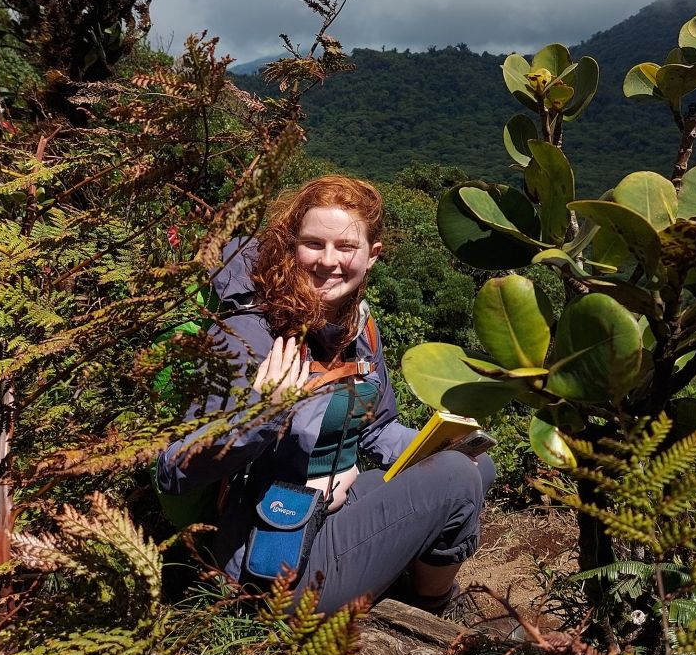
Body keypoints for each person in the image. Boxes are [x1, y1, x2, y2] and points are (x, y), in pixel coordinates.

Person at [155, 175, 494, 614]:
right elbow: (174, 468)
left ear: (372, 256)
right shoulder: (250, 336)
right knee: (454, 478)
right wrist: (263, 414)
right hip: (269, 555)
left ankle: (410, 594)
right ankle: (432, 609)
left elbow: (377, 428)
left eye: (346, 247)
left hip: (330, 510)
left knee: (473, 464)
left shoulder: (357, 327)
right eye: (313, 244)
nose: (328, 261)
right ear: (291, 245)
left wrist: (441, 442)